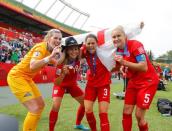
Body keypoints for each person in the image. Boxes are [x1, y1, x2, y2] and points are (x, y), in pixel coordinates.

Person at [7, 29, 64, 131]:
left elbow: (57, 62)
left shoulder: (51, 50)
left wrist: (70, 56)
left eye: (60, 39)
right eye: (55, 38)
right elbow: (33, 65)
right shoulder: (41, 47)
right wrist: (51, 57)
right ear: (48, 38)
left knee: (40, 105)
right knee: (34, 108)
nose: (58, 40)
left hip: (27, 78)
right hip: (17, 77)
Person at [112, 26, 159, 131]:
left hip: (148, 82)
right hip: (133, 82)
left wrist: (124, 63)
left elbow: (144, 67)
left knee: (139, 115)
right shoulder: (117, 51)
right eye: (113, 37)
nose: (116, 39)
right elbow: (121, 66)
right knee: (126, 112)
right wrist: (121, 68)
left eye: (118, 35)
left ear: (125, 36)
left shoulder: (135, 45)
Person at [49, 37, 89, 131]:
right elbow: (56, 82)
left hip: (72, 85)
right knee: (55, 106)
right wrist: (63, 73)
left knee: (85, 103)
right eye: (71, 49)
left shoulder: (79, 57)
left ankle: (78, 124)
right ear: (66, 50)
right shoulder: (61, 63)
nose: (74, 51)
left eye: (76, 49)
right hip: (61, 85)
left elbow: (89, 45)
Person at [81, 34, 111, 131]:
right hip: (91, 85)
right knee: (88, 110)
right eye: (88, 43)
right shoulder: (85, 52)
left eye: (93, 43)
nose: (91, 45)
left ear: (97, 44)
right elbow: (74, 53)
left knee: (103, 113)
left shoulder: (104, 52)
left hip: (104, 85)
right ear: (86, 44)